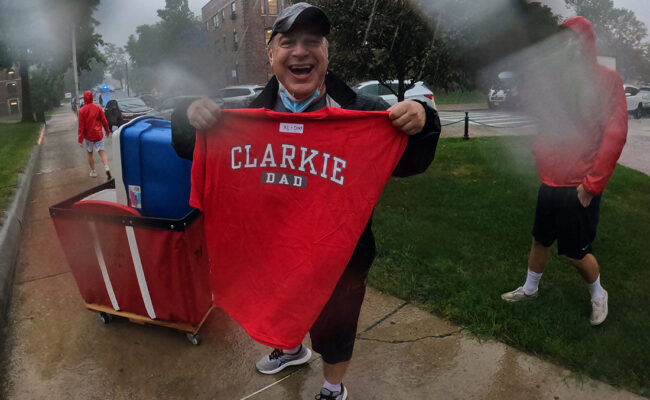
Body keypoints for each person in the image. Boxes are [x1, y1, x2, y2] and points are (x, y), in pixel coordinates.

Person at [172, 3, 440, 399]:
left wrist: (423, 117)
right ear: (271, 55)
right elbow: (186, 144)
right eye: (288, 42)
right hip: (273, 248)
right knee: (280, 302)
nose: (300, 51)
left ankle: (333, 387)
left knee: (336, 324)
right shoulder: (243, 115)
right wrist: (186, 112)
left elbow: (411, 160)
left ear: (327, 52)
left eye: (312, 41)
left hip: (339, 254)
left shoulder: (362, 115)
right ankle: (291, 348)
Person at [501, 17, 627, 327]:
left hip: (579, 186)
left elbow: (615, 133)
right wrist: (540, 150)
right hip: (550, 182)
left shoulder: (607, 80)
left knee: (575, 253)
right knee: (540, 240)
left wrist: (592, 185)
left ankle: (599, 295)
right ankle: (530, 289)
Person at [78, 90, 112, 180]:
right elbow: (104, 121)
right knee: (102, 151)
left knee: (90, 153)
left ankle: (93, 171)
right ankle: (107, 167)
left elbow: (81, 126)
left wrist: (80, 139)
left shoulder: (81, 111)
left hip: (88, 136)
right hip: (98, 134)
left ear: (84, 98)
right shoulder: (98, 108)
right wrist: (107, 131)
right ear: (92, 98)